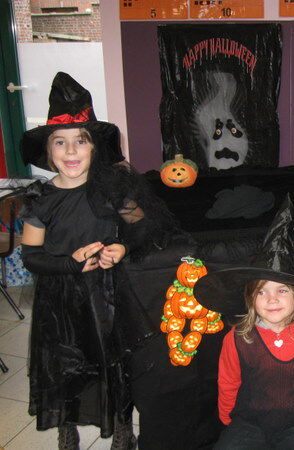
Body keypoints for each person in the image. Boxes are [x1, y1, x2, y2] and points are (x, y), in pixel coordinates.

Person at [20, 72, 177, 450]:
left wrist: (122, 247)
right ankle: (67, 429)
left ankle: (123, 430)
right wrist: (69, 264)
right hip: (60, 301)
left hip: (108, 295)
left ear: (94, 149)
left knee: (113, 362)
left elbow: (144, 227)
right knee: (66, 364)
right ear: (49, 151)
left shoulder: (114, 190)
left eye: (81, 141)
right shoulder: (41, 200)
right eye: (60, 142)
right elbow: (30, 256)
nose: (70, 151)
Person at [193, 197, 294, 449]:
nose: (272, 299)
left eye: (282, 290)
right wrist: (228, 421)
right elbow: (228, 382)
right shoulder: (238, 338)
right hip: (249, 422)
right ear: (250, 300)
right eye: (261, 292)